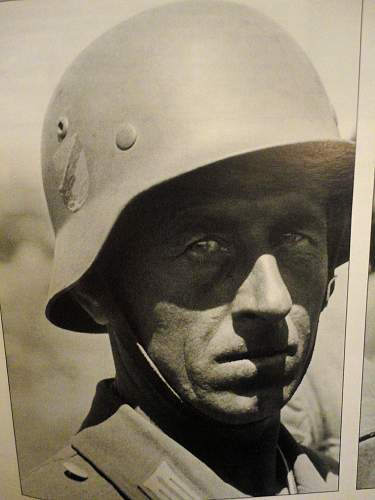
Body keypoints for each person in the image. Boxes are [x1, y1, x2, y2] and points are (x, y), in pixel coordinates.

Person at [23, 1, 354, 498]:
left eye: (295, 239)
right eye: (206, 245)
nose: (271, 301)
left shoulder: (337, 482)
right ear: (96, 287)